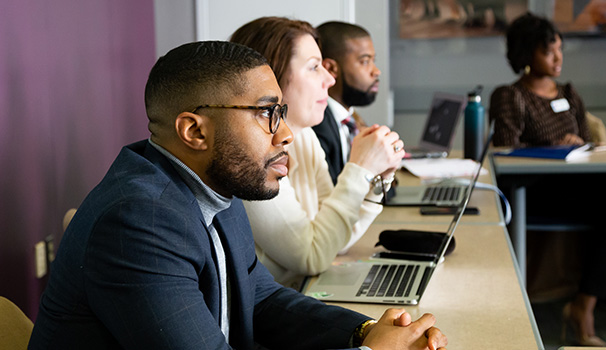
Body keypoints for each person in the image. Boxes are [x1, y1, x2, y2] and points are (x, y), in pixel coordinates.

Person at [28, 40, 447, 350]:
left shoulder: (213, 185)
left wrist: (363, 332)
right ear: (194, 131)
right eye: (267, 113)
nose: (285, 134)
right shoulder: (139, 220)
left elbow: (260, 299)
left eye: (281, 113)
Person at [490, 12, 606, 347]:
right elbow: (505, 151)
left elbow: (589, 144)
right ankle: (582, 315)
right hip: (535, 192)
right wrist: (553, 147)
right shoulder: (510, 95)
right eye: (548, 51)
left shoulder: (569, 92)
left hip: (577, 188)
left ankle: (582, 307)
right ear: (527, 55)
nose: (558, 58)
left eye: (559, 49)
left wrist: (578, 145)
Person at [230, 17, 405, 288]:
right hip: (272, 322)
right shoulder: (251, 157)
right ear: (271, 79)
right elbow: (312, 256)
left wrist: (376, 182)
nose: (329, 78)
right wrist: (360, 169)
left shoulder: (305, 137)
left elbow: (332, 239)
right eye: (314, 67)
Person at [312, 21, 381, 184]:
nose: (376, 71)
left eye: (373, 60)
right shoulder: (318, 124)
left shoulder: (351, 119)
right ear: (330, 69)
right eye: (365, 61)